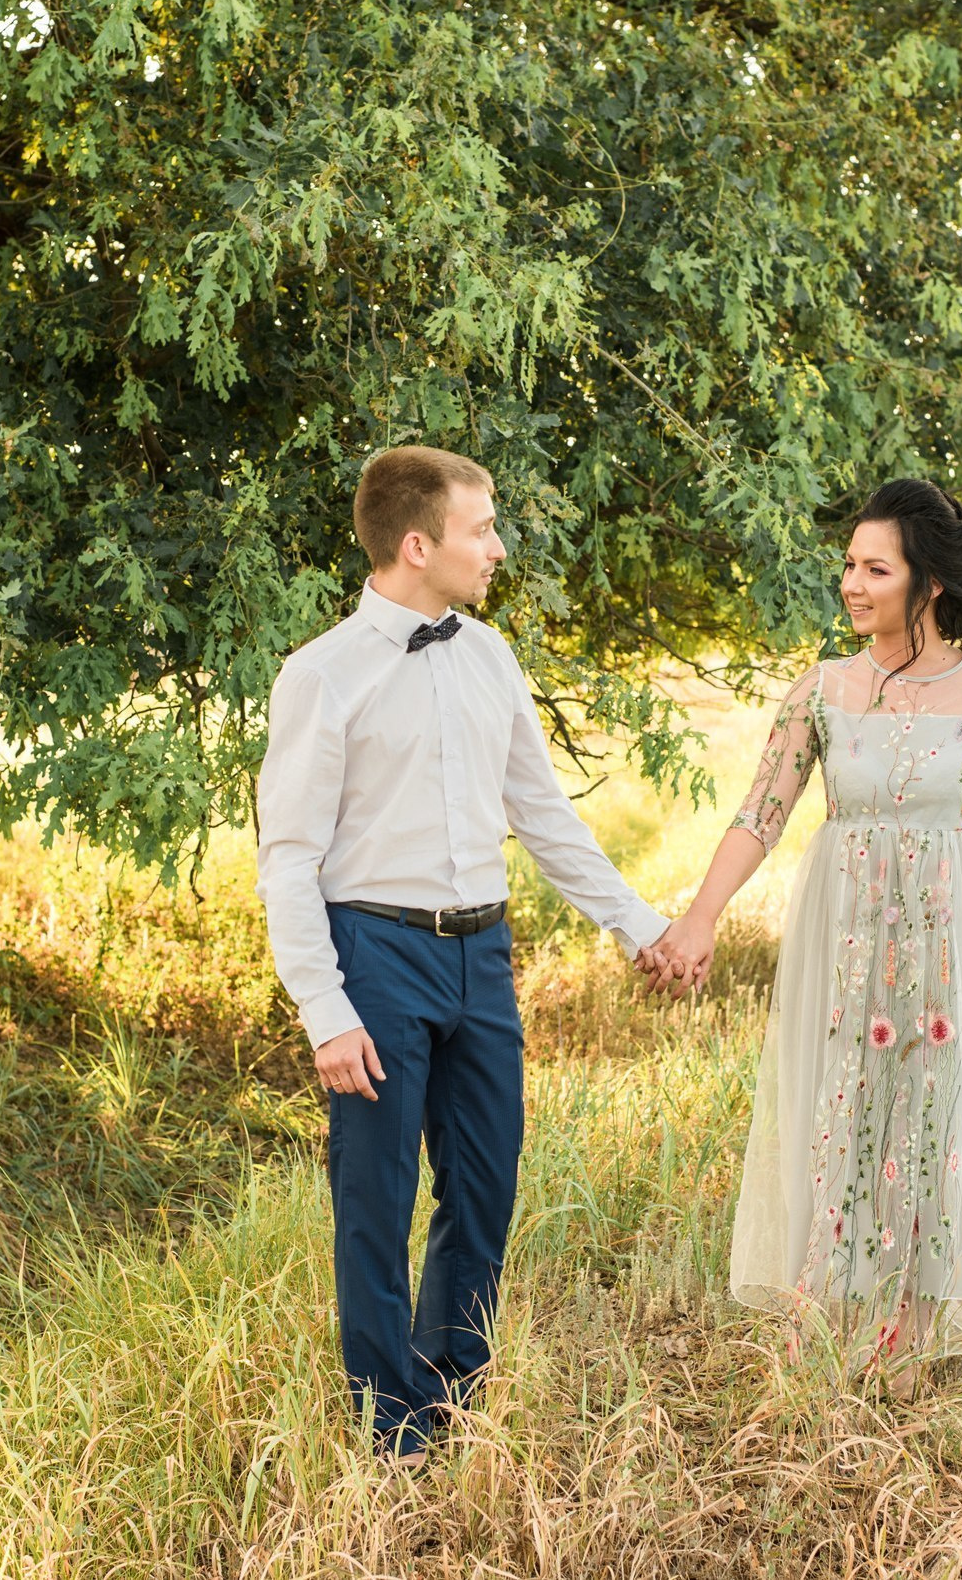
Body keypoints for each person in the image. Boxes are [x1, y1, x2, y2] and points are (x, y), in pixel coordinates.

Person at [255, 444, 687, 1464]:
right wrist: (326, 1010)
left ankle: (451, 1382)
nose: (498, 546)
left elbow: (543, 817)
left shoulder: (492, 656)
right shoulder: (322, 675)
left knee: (485, 1181)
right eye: (481, 528)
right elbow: (288, 860)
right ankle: (389, 1425)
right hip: (374, 954)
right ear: (418, 544)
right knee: (376, 1199)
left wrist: (639, 923)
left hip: (483, 953)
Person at [646, 478, 962, 1388]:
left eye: (874, 568)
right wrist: (699, 918)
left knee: (938, 1106)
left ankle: (916, 1322)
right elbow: (759, 814)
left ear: (926, 584)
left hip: (951, 931)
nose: (851, 584)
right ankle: (827, 1306)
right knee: (842, 1100)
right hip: (846, 930)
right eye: (848, 565)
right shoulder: (821, 689)